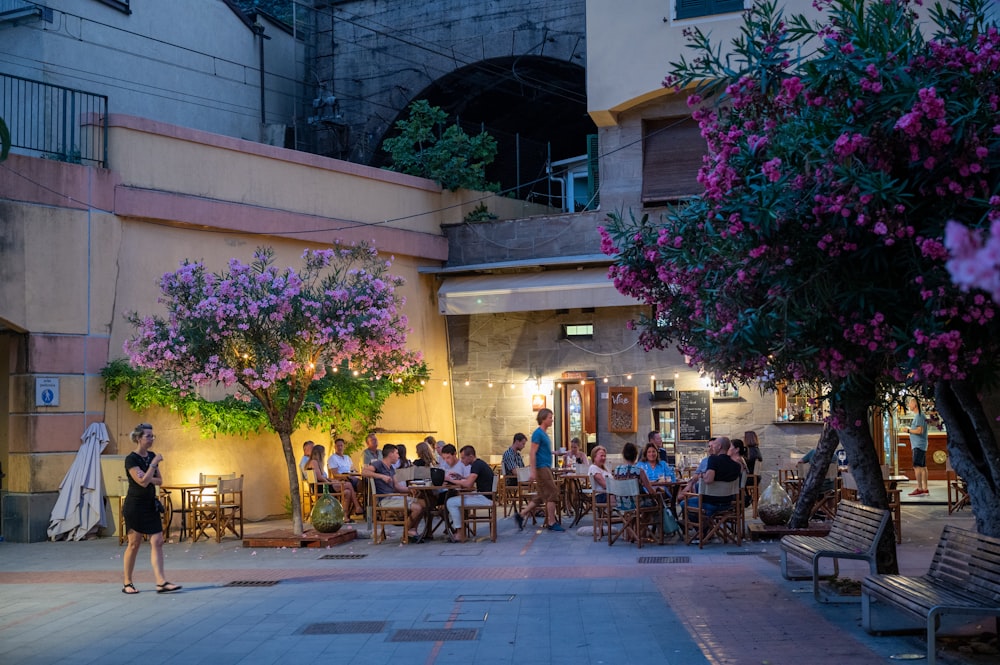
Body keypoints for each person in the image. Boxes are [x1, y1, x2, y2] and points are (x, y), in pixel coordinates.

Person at [121, 423, 180, 595]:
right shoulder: (131, 459)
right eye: (148, 436)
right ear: (139, 438)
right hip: (135, 505)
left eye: (153, 436)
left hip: (150, 504)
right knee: (134, 543)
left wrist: (148, 474)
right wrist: (153, 466)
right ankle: (127, 583)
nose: (151, 439)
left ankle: (161, 582)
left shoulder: (151, 456)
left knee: (158, 541)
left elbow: (159, 481)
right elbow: (142, 482)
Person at [514, 408, 563, 532]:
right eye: (550, 418)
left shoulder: (544, 434)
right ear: (543, 419)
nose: (552, 420)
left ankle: (521, 515)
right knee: (553, 493)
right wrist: (533, 471)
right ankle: (551, 522)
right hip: (541, 467)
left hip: (545, 466)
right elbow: (532, 452)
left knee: (541, 496)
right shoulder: (538, 433)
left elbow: (543, 450)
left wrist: (554, 452)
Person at [363, 444, 424, 543]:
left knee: (424, 503)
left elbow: (397, 487)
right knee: (417, 508)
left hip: (394, 497)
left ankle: (412, 531)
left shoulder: (391, 468)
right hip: (385, 500)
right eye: (396, 453)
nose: (398, 456)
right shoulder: (378, 464)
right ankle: (405, 534)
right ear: (390, 454)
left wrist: (410, 489)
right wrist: (381, 476)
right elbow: (364, 472)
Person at [444, 445, 495, 543]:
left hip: (485, 498)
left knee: (450, 502)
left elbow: (468, 484)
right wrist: (460, 477)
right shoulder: (479, 464)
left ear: (471, 456)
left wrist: (451, 480)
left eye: (463, 458)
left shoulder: (476, 465)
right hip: (487, 496)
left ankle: (460, 533)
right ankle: (460, 530)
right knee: (457, 501)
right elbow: (470, 478)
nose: (461, 460)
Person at [683, 437, 742, 516]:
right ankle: (708, 524)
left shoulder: (713, 459)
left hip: (711, 503)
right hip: (728, 503)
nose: (712, 448)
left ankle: (704, 526)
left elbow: (709, 480)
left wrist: (702, 475)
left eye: (714, 445)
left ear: (719, 446)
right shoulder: (737, 466)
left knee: (684, 503)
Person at [307, 444, 362, 521]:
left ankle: (345, 516)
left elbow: (323, 477)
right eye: (323, 453)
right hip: (322, 487)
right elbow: (319, 477)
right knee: (348, 484)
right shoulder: (314, 462)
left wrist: (332, 480)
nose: (324, 454)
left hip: (324, 484)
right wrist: (330, 483)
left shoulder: (317, 463)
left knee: (347, 492)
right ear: (319, 453)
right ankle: (357, 507)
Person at [903, 396, 929, 496]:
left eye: (909, 403)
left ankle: (919, 487)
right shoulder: (920, 416)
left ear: (914, 404)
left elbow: (919, 430)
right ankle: (925, 488)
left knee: (917, 466)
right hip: (921, 444)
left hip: (918, 445)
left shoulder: (919, 416)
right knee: (923, 466)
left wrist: (908, 430)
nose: (908, 405)